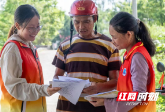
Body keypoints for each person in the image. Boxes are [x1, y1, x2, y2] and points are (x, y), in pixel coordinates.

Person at [52, 0, 121, 112]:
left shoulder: (110, 46)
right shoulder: (64, 46)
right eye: (76, 22)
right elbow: (56, 77)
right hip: (67, 107)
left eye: (86, 21)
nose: (81, 26)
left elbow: (116, 81)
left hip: (96, 107)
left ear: (95, 19)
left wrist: (98, 87)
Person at [89, 12, 156, 112]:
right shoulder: (130, 55)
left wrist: (106, 102)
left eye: (114, 37)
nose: (112, 41)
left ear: (128, 34)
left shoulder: (137, 57)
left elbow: (139, 95)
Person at [0, 4, 61, 112]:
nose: (36, 31)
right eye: (31, 28)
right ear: (18, 26)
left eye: (38, 26)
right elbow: (15, 87)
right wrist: (43, 89)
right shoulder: (12, 49)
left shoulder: (29, 46)